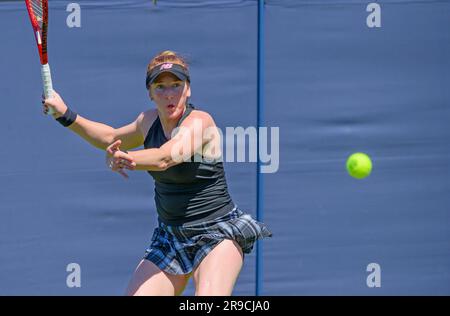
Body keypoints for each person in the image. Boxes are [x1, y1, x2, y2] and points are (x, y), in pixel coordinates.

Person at [42, 50, 272, 296]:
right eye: (160, 87)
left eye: (176, 85)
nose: (169, 93)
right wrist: (65, 114)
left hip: (216, 233)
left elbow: (166, 157)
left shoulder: (200, 122)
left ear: (188, 89)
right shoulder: (147, 121)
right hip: (170, 237)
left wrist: (126, 158)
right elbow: (109, 137)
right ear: (150, 94)